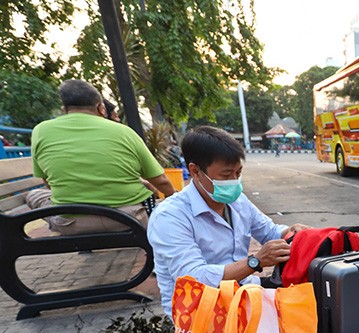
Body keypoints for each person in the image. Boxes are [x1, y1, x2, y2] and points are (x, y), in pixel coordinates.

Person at [147, 126, 309, 317]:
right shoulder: (170, 217)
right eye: (226, 175)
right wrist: (255, 261)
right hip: (200, 313)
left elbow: (269, 231)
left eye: (238, 174)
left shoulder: (237, 201)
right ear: (195, 171)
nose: (234, 181)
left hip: (243, 293)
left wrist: (291, 231)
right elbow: (195, 279)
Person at [26, 79, 176, 234]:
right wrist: (177, 200)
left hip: (72, 224)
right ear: (101, 108)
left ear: (64, 109)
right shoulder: (123, 132)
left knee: (34, 195)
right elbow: (161, 181)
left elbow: (48, 182)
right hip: (129, 220)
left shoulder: (40, 131)